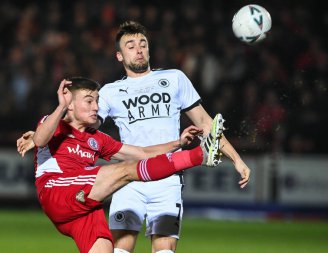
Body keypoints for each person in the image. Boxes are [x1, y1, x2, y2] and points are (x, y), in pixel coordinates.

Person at [17, 21, 251, 253]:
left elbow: (206, 122)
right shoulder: (109, 92)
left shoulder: (175, 78)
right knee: (120, 249)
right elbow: (82, 122)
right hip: (129, 181)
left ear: (149, 49)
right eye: (130, 45)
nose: (138, 49)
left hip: (167, 178)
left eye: (143, 44)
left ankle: (199, 156)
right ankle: (198, 156)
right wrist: (41, 135)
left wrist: (236, 158)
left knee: (164, 251)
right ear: (120, 56)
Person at [26, 76, 226, 253]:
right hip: (57, 191)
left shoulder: (98, 139)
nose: (96, 107)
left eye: (97, 101)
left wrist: (178, 143)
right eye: (89, 101)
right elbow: (41, 140)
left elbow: (142, 153)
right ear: (69, 103)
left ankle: (195, 153)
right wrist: (60, 107)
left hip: (83, 206)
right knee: (123, 171)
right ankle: (200, 155)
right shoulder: (54, 123)